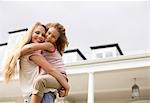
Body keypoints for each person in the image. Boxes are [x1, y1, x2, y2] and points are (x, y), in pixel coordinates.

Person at [3, 22, 69, 103]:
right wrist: (66, 86)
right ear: (30, 34)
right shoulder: (33, 53)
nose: (41, 36)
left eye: (43, 34)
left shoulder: (38, 51)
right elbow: (50, 69)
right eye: (37, 33)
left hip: (38, 93)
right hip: (41, 94)